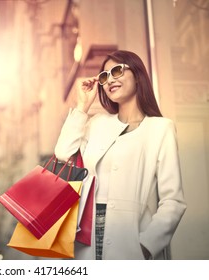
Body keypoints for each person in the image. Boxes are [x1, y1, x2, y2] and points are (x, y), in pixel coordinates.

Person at [54, 50, 186, 260]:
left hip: (131, 242)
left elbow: (173, 201)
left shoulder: (161, 128)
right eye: (104, 76)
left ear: (137, 75)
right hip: (86, 241)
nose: (109, 80)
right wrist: (83, 105)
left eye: (116, 71)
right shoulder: (97, 123)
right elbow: (63, 153)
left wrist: (146, 245)